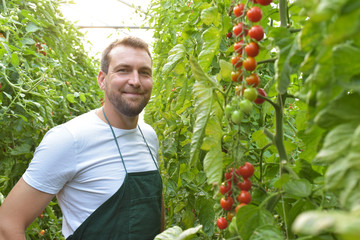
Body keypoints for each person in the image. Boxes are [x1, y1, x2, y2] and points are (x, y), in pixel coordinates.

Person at [0, 36, 164, 240]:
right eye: (123, 70)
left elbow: (153, 213)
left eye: (144, 72)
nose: (135, 81)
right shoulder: (70, 139)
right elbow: (7, 223)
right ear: (102, 80)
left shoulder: (149, 136)